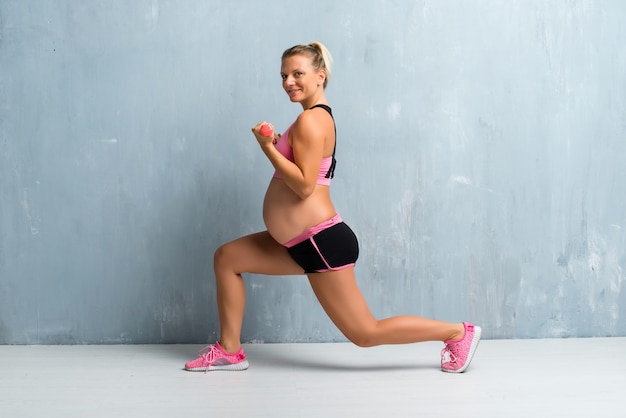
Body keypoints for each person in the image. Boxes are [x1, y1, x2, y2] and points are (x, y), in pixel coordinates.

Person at [184, 42, 481, 373]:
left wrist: (267, 147)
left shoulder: (312, 121)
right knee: (227, 258)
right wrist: (281, 146)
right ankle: (230, 350)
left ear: (320, 75)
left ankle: (458, 332)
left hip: (319, 241)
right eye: (284, 75)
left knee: (365, 333)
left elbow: (303, 186)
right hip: (297, 241)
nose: (288, 82)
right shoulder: (311, 119)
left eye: (298, 73)